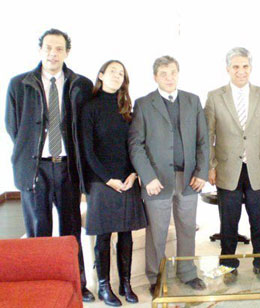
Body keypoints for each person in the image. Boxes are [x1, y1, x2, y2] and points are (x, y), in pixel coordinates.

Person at [5, 28, 95, 302]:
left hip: (68, 167)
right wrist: (31, 151)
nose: (53, 53)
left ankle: (78, 283)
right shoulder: (20, 84)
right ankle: (37, 284)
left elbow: (86, 128)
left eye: (58, 48)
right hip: (35, 168)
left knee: (70, 231)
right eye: (48, 48)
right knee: (38, 230)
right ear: (40, 50)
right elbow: (14, 127)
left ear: (67, 52)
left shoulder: (81, 84)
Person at [128, 55, 209, 295]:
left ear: (178, 73)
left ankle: (187, 272)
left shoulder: (193, 101)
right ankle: (156, 276)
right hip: (157, 180)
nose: (169, 77)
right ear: (155, 77)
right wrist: (148, 176)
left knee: (187, 227)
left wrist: (202, 172)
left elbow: (203, 141)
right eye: (163, 73)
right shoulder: (143, 104)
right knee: (158, 232)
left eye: (173, 72)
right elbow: (136, 144)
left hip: (189, 178)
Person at [204, 47, 260, 284]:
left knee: (259, 221)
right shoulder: (215, 96)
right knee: (228, 222)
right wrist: (211, 166)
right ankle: (228, 265)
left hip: (258, 168)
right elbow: (208, 135)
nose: (241, 71)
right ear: (228, 69)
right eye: (235, 66)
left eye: (245, 66)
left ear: (251, 68)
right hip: (227, 169)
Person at [81, 60, 147, 306]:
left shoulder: (126, 108)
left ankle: (126, 284)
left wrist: (133, 174)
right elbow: (88, 151)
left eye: (121, 73)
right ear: (100, 75)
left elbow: (133, 146)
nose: (117, 76)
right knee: (104, 237)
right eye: (112, 71)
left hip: (128, 180)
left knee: (126, 234)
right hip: (102, 181)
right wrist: (108, 179)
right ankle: (104, 286)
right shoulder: (90, 107)